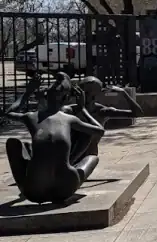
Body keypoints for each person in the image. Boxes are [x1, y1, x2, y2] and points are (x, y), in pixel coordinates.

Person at [4, 72, 106, 204]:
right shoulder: (68, 119)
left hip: (35, 191)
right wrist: (82, 109)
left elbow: (9, 113)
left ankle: (60, 166)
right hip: (64, 188)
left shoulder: (33, 117)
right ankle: (65, 165)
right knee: (92, 158)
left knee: (14, 144)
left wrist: (27, 93)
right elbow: (100, 131)